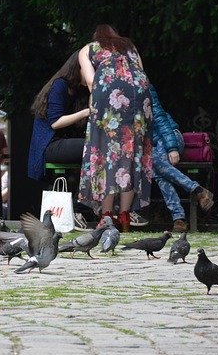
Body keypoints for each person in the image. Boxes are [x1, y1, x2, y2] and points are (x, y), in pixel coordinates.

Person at [78, 24, 153, 233]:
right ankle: (125, 216)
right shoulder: (130, 47)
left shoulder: (88, 49)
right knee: (132, 155)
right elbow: (141, 72)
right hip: (139, 98)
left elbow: (93, 82)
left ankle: (106, 216)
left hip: (109, 98)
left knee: (105, 154)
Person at [150, 84, 214, 232]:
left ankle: (180, 215)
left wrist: (172, 147)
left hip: (169, 136)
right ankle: (195, 195)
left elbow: (160, 118)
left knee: (156, 162)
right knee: (159, 173)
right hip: (152, 148)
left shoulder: (144, 87)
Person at [28, 51, 90, 183]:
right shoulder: (60, 85)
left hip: (62, 142)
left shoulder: (79, 91)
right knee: (97, 147)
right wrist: (86, 112)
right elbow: (55, 123)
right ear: (79, 67)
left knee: (98, 145)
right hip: (50, 145)